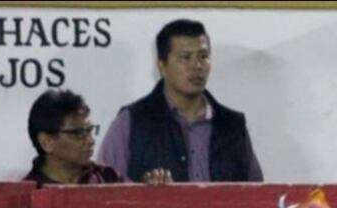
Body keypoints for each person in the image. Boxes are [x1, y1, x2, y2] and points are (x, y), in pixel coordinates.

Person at [98, 19, 263, 184]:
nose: (197, 66)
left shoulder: (232, 126)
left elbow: (257, 192)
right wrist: (145, 194)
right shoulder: (132, 122)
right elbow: (104, 191)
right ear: (162, 66)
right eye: (186, 57)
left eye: (203, 56)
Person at [23, 89, 125, 185]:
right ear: (46, 142)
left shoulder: (110, 179)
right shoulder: (28, 193)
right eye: (79, 133)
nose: (91, 141)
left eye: (89, 130)